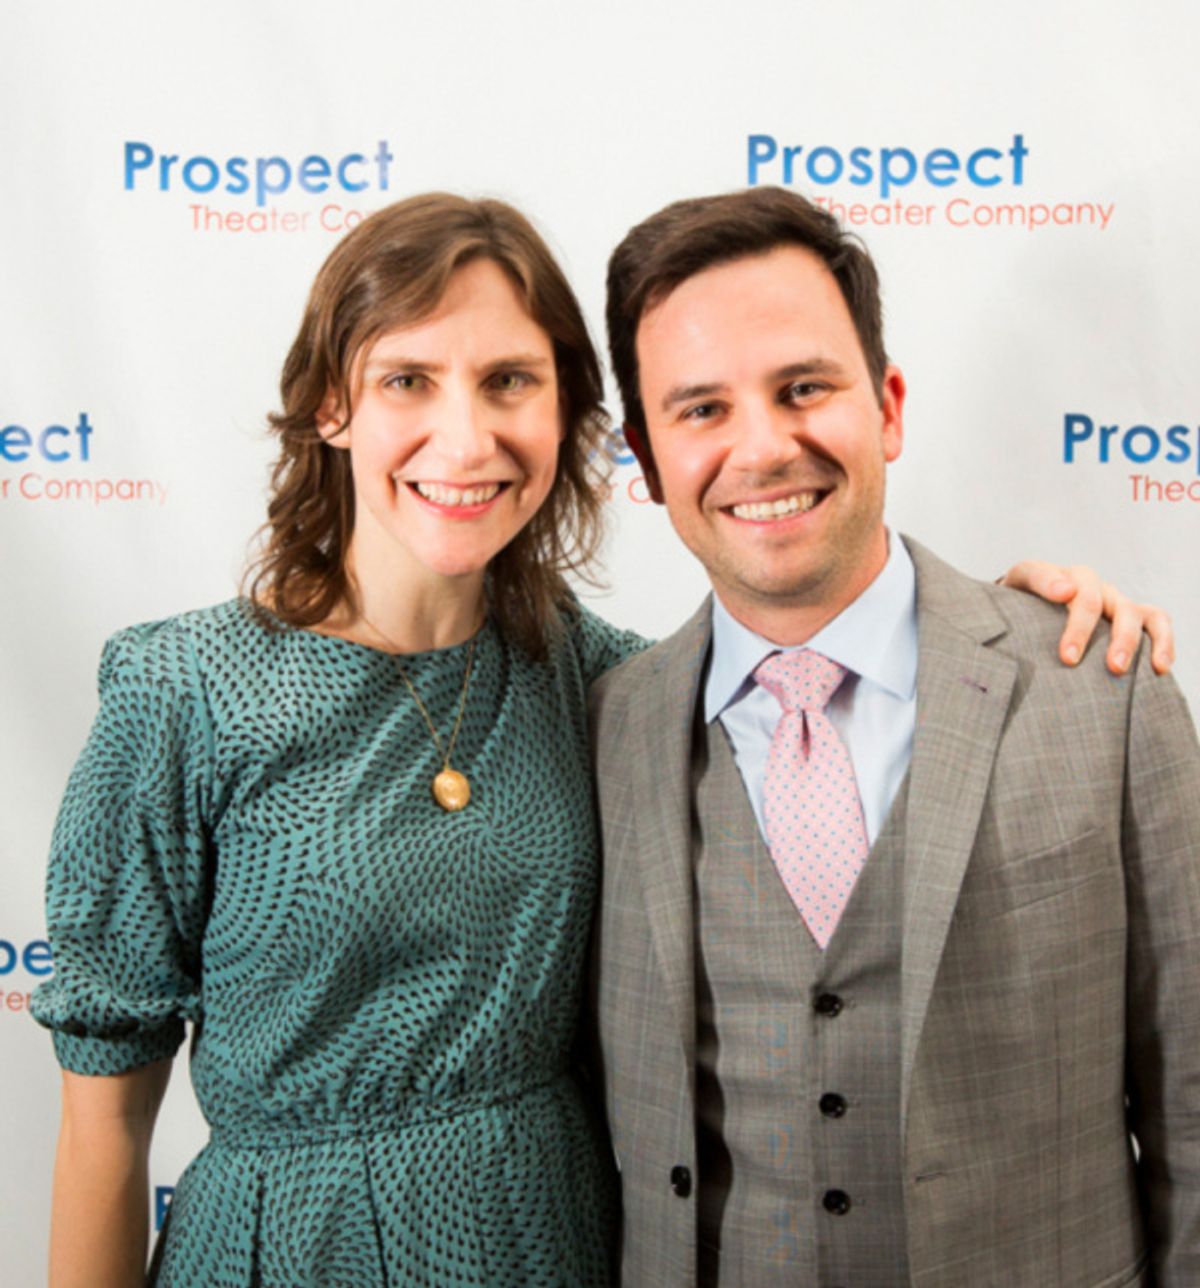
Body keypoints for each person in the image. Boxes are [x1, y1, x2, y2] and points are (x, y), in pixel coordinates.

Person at [33, 191, 1167, 1288]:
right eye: (407, 379)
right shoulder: (187, 691)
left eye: (509, 380)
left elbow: (817, 647)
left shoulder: (596, 682)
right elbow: (100, 1125)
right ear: (333, 404)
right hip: (290, 1250)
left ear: (569, 419)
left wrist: (1016, 620)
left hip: (555, 1242)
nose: (464, 436)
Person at [590, 186, 1200, 1286]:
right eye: (702, 409)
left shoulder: (1104, 688)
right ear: (644, 454)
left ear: (888, 406)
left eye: (804, 388)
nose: (763, 447)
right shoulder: (605, 723)